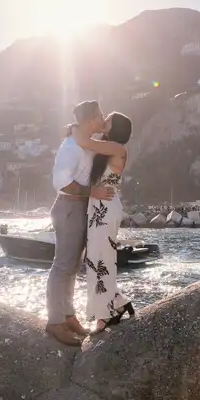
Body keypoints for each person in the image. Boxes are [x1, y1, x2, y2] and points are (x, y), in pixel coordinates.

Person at [46, 101, 125, 346]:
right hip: (70, 206)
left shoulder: (89, 142)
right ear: (91, 119)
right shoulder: (71, 147)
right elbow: (61, 183)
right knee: (62, 266)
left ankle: (69, 316)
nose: (103, 119)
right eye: (101, 115)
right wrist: (92, 192)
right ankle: (55, 322)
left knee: (73, 264)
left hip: (84, 208)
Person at [71, 112, 135, 335]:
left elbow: (84, 142)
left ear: (115, 127)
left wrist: (73, 127)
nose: (103, 122)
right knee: (96, 258)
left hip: (106, 209)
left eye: (107, 119)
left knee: (100, 260)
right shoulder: (106, 147)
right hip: (99, 208)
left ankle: (104, 317)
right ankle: (117, 302)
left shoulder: (118, 149)